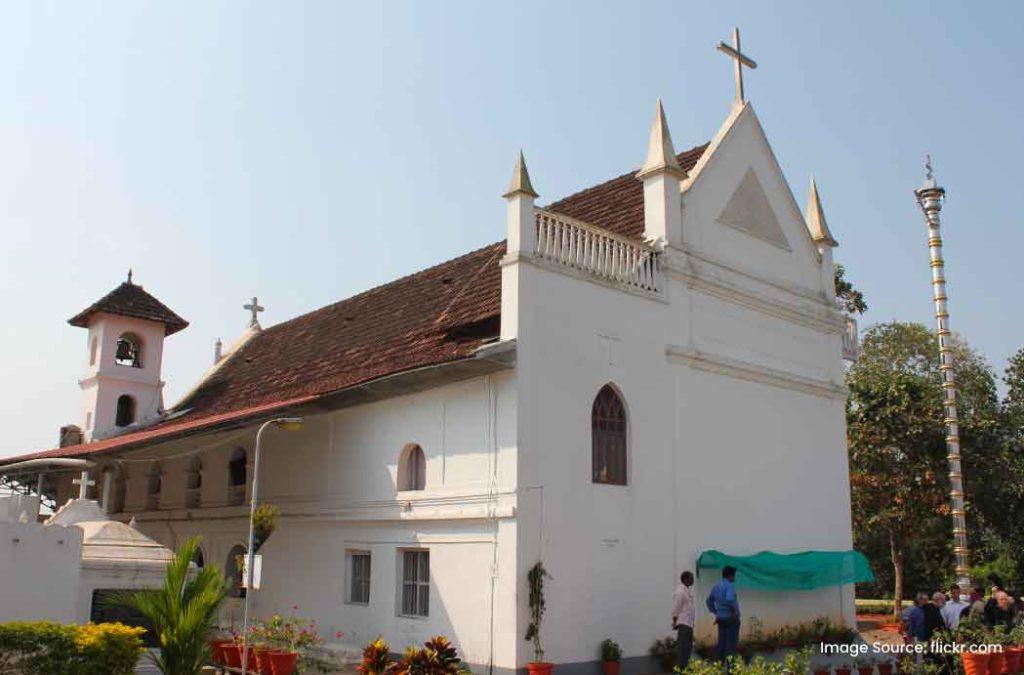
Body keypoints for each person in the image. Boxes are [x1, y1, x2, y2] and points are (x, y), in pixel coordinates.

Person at [706, 566, 741, 664]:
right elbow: (730, 600)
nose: (734, 578)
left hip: (721, 619)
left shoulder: (716, 586)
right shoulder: (729, 585)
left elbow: (709, 601)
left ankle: (718, 668)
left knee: (721, 644)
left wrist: (716, 612)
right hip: (731, 619)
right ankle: (731, 670)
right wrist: (733, 612)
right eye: (734, 575)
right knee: (731, 646)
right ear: (731, 575)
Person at [671, 571, 695, 670]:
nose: (693, 580)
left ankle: (685, 667)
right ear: (685, 579)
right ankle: (681, 669)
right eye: (691, 578)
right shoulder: (680, 592)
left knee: (688, 648)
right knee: (683, 648)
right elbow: (676, 608)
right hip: (684, 623)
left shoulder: (686, 591)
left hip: (689, 624)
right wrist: (675, 621)